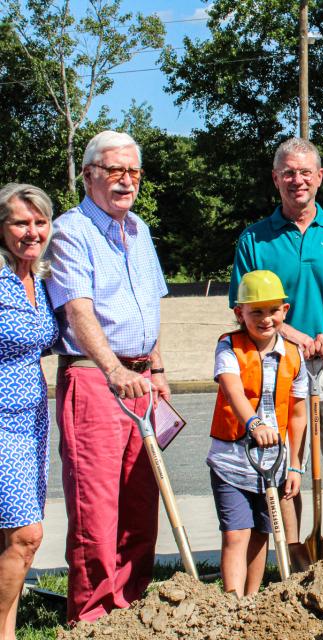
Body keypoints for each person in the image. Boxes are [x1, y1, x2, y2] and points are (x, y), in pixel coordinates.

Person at [229, 137, 323, 563]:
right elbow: (243, 308)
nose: (298, 180)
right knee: (286, 466)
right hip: (279, 361)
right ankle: (294, 561)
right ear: (276, 179)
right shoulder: (254, 239)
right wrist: (295, 337)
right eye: (289, 173)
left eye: (305, 172)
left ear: (320, 177)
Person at [46, 131, 170, 622]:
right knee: (96, 507)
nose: (126, 181)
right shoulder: (70, 231)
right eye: (115, 170)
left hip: (142, 378)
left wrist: (156, 367)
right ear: (88, 175)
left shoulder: (139, 229)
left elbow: (149, 306)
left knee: (141, 499)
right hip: (97, 377)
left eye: (133, 171)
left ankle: (132, 606)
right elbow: (78, 312)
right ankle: (93, 615)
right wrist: (115, 370)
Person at [208, 270, 306, 595]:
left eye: (273, 310)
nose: (266, 319)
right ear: (240, 313)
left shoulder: (293, 354)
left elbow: (298, 414)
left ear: (285, 311)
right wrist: (254, 424)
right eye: (256, 312)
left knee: (263, 533)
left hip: (273, 464)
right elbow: (232, 389)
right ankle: (232, 602)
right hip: (232, 459)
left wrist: (295, 466)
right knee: (236, 533)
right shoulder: (229, 346)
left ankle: (252, 600)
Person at [0, 183, 58, 640]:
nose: (32, 231)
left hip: (32, 421)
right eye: (21, 222)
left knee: (10, 539)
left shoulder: (39, 279)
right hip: (1, 421)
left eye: (40, 222)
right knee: (26, 535)